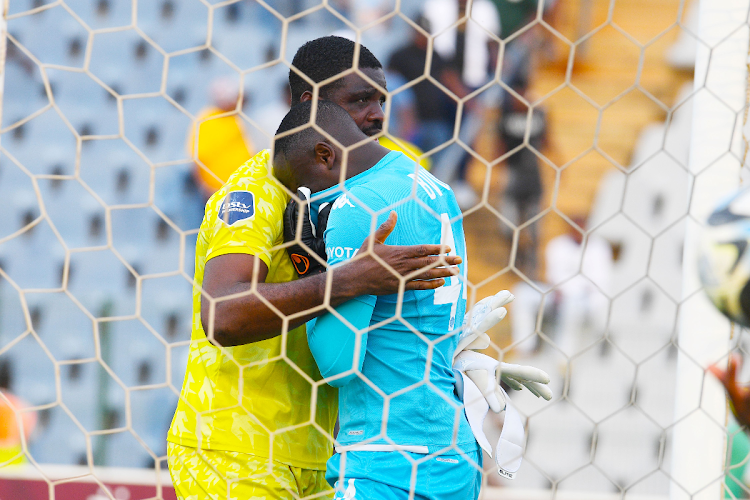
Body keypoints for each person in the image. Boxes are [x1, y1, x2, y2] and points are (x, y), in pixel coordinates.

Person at [166, 36, 463, 500]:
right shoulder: (254, 192)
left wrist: (453, 354)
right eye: (360, 99)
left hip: (325, 456)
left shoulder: (366, 193)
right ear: (311, 104)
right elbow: (223, 314)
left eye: (381, 99)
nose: (377, 114)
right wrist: (348, 281)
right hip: (235, 449)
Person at [273, 98, 481, 499]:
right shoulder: (435, 187)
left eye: (304, 185)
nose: (309, 200)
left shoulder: (357, 208)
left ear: (324, 155)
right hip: (453, 452)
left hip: (387, 459)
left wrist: (316, 273)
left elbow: (339, 365)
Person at [511, 217, 613, 357]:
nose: (578, 231)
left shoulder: (599, 247)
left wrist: (570, 290)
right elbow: (554, 277)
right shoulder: (558, 245)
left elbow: (599, 281)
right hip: (558, 295)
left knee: (572, 305)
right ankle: (525, 347)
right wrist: (562, 290)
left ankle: (563, 356)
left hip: (586, 299)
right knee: (522, 293)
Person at [498, 78, 547, 279]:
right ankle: (515, 257)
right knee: (507, 226)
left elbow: (547, 140)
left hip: (533, 175)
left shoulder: (539, 115)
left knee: (534, 227)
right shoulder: (505, 117)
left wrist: (558, 163)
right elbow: (498, 146)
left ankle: (532, 265)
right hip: (512, 174)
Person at [187, 76, 254, 199]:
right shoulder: (207, 119)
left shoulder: (234, 119)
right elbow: (198, 158)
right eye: (237, 98)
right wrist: (206, 189)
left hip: (241, 188)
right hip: (218, 191)